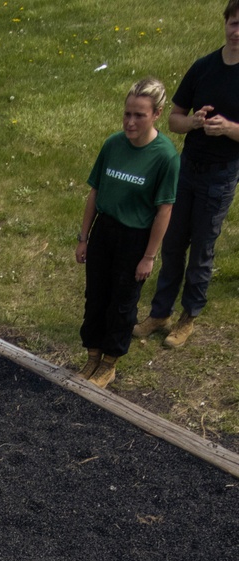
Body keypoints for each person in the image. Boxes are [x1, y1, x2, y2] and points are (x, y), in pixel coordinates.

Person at [134, 2, 239, 350]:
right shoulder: (204, 67)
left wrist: (228, 129)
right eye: (234, 24)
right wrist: (194, 122)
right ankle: (160, 312)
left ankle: (188, 317)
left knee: (202, 251)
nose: (237, 32)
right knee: (173, 244)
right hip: (188, 169)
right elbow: (174, 119)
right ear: (225, 24)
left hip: (221, 176)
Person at [75, 78, 180, 389]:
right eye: (127, 114)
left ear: (157, 114)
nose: (131, 122)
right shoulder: (112, 144)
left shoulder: (165, 156)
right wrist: (84, 238)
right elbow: (95, 191)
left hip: (135, 237)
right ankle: (92, 354)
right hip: (104, 230)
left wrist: (148, 257)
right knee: (95, 296)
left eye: (140, 115)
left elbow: (164, 210)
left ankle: (109, 362)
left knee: (122, 303)